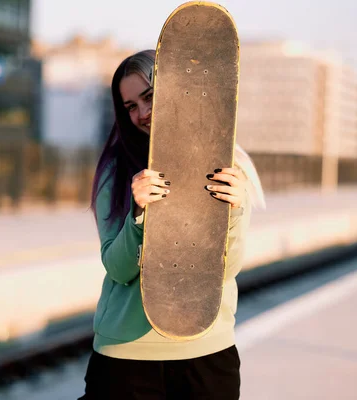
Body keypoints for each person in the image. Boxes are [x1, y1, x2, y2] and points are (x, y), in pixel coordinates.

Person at [79, 49, 263, 400]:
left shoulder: (225, 164)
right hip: (126, 358)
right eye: (130, 106)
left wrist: (237, 210)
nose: (142, 113)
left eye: (149, 97)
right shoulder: (116, 172)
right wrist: (140, 216)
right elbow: (117, 268)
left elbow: (228, 268)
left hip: (205, 351)